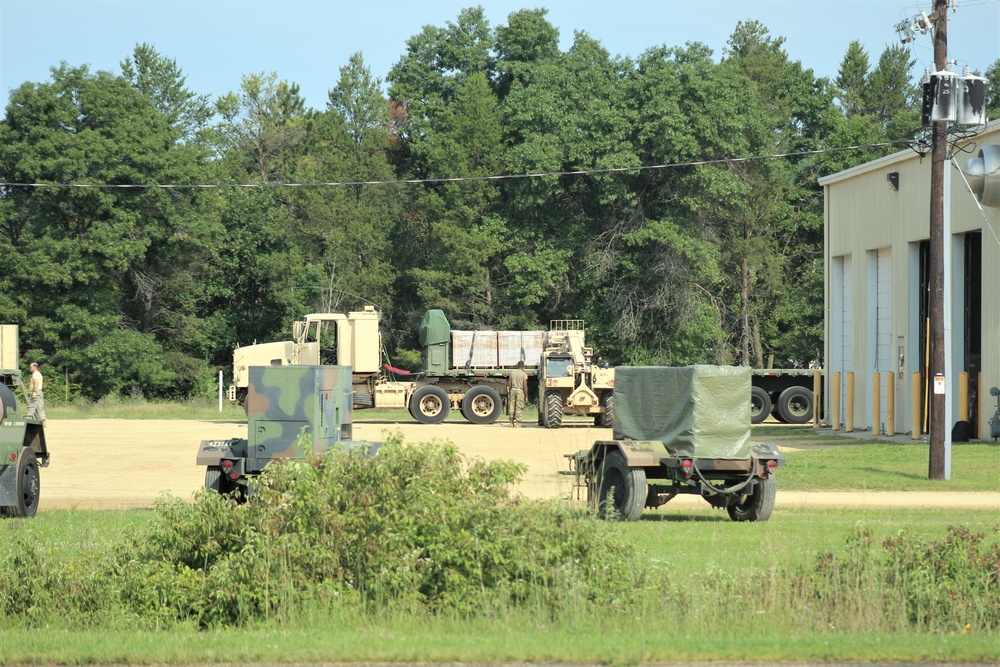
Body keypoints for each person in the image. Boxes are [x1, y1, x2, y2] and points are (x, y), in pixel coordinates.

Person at [507, 360, 529, 428]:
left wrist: (509, 392)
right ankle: (518, 423)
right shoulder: (524, 374)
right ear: (523, 366)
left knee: (512, 406)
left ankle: (511, 422)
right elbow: (525, 386)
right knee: (519, 406)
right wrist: (526, 396)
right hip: (520, 390)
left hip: (513, 390)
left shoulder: (512, 373)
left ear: (517, 366)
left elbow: (509, 383)